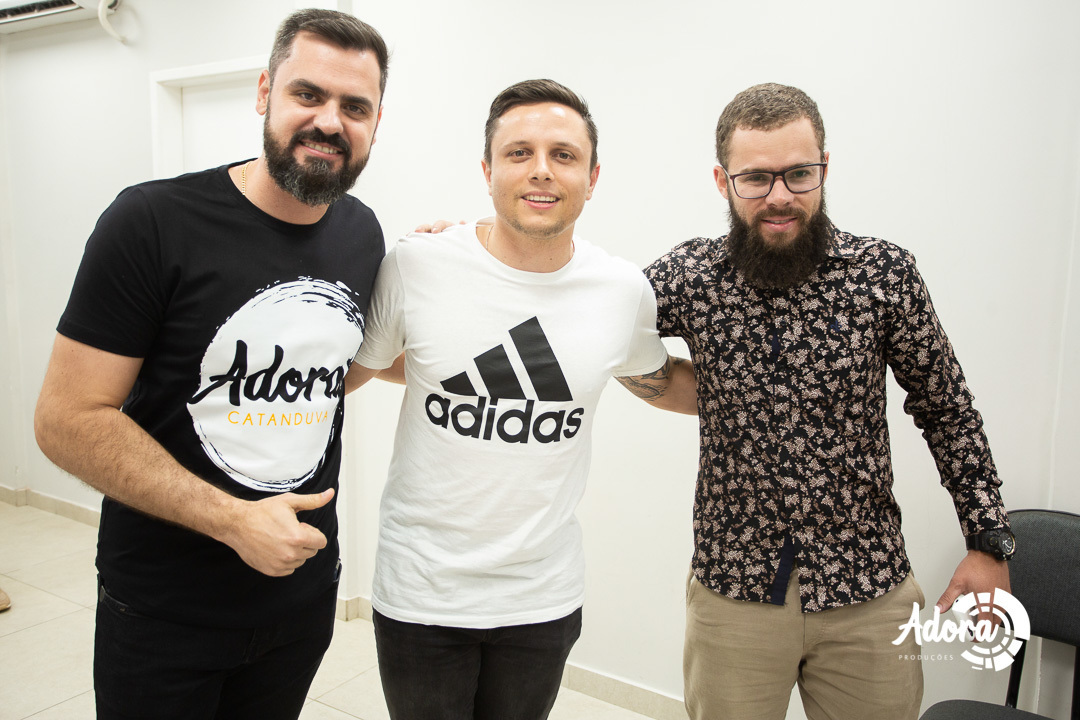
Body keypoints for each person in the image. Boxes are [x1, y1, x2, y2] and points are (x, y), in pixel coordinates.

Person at [33, 9, 388, 719]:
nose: (329, 121)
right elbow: (66, 420)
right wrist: (231, 520)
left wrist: (448, 262)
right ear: (264, 93)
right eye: (307, 94)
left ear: (376, 123)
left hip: (300, 601)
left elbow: (334, 371)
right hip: (165, 612)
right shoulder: (151, 222)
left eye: (355, 107)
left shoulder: (360, 232)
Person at [644, 83, 1012, 720]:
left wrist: (987, 540)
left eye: (798, 173)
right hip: (734, 594)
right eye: (755, 178)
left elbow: (946, 407)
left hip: (868, 592)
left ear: (824, 168)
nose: (779, 195)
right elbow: (600, 322)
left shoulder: (884, 273)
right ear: (723, 180)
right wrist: (483, 246)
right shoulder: (690, 276)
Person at [347, 78, 697, 720]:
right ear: (487, 171)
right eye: (518, 153)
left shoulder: (621, 291)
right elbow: (353, 373)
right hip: (422, 593)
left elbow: (663, 382)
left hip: (542, 598)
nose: (541, 170)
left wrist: (787, 391)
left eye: (564, 155)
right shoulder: (417, 266)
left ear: (592, 177)